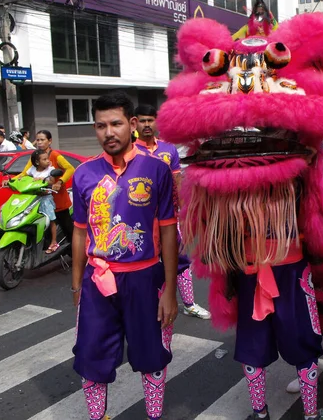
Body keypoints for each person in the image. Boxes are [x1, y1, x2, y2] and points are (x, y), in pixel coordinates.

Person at [71, 92, 179, 420]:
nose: (109, 132)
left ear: (131, 125)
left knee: (152, 359)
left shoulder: (156, 170)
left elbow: (168, 230)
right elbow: (78, 231)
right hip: (97, 281)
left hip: (145, 278)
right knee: (92, 361)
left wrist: (171, 290)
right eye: (101, 125)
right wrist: (77, 285)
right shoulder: (83, 174)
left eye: (116, 123)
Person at [134, 104, 211, 320]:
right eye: (143, 120)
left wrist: (183, 211)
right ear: (134, 123)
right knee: (144, 262)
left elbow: (177, 181)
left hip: (169, 217)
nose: (147, 124)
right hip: (140, 220)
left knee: (181, 258)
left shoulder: (169, 150)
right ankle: (146, 305)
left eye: (150, 120)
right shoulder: (129, 151)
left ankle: (189, 303)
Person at [17, 130, 75, 246]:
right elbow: (24, 173)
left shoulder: (55, 155)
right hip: (41, 198)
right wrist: (11, 180)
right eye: (37, 140)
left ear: (50, 141)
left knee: (69, 230)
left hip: (58, 199)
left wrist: (59, 182)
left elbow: (70, 169)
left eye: (42, 140)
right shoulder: (36, 157)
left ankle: (77, 254)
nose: (39, 142)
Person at [26, 149, 59, 253]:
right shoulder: (32, 170)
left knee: (51, 220)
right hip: (34, 198)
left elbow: (52, 181)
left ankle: (54, 242)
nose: (47, 161)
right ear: (37, 162)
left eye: (47, 158)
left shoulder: (50, 170)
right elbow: (25, 178)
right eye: (44, 159)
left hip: (46, 198)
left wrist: (41, 179)